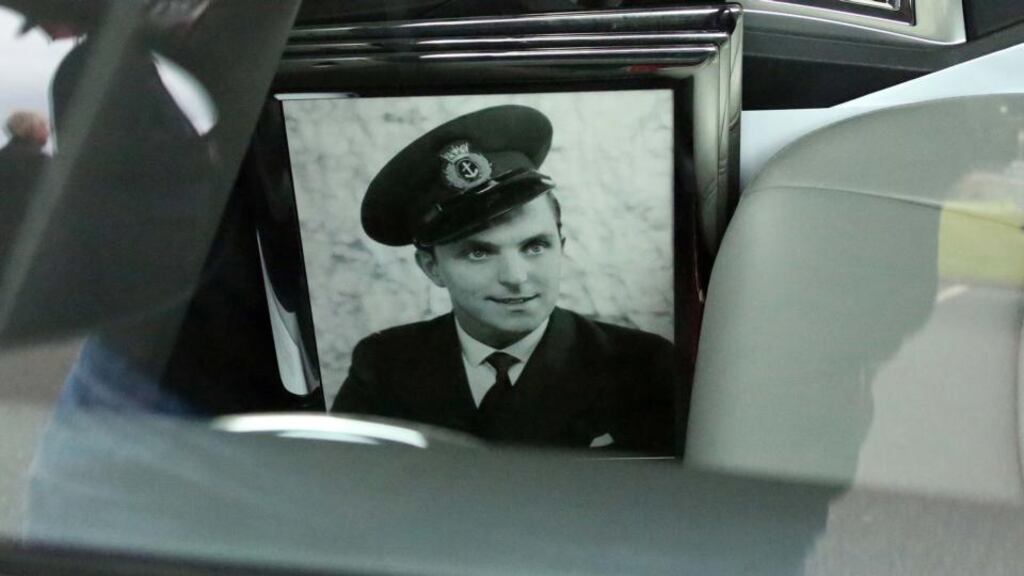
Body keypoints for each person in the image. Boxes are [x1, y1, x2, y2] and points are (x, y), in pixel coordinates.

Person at [332, 105, 679, 454]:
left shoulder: (642, 367)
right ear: (431, 267)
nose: (516, 277)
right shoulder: (384, 367)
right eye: (479, 252)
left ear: (561, 246)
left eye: (535, 246)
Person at [0, 111, 50, 262]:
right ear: (31, 129)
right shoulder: (39, 161)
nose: (47, 132)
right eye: (43, 127)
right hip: (30, 238)